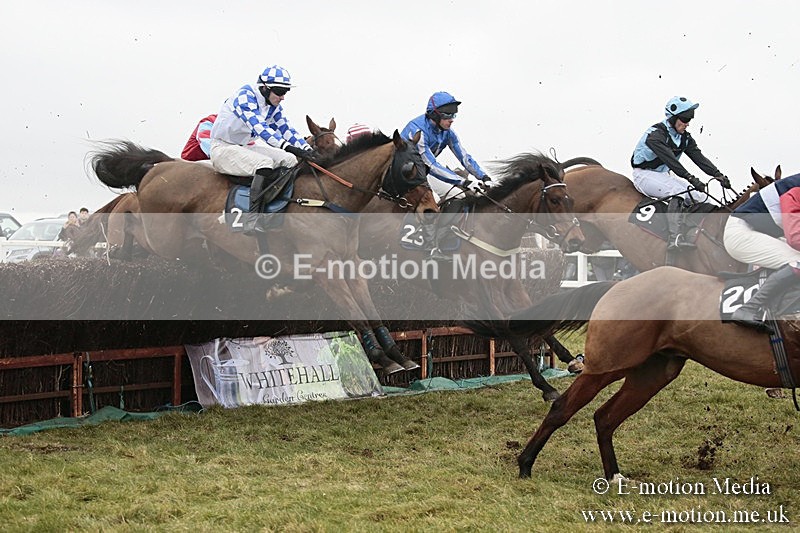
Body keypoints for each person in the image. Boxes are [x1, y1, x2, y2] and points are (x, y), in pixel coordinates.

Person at [209, 65, 320, 233]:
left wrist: (306, 149)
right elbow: (260, 128)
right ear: (264, 88)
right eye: (279, 91)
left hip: (243, 147)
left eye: (285, 92)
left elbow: (286, 129)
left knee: (289, 160)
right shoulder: (245, 96)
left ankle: (277, 208)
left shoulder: (272, 105)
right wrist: (287, 146)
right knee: (264, 163)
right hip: (222, 148)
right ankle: (251, 219)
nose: (282, 97)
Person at [631, 96, 733, 250]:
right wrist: (691, 178)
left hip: (662, 175)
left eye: (690, 118)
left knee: (700, 196)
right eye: (685, 118)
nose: (687, 123)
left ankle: (696, 232)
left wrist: (718, 175)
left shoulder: (684, 138)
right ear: (672, 118)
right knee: (676, 191)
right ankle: (675, 238)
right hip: (644, 175)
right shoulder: (656, 135)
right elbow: (672, 161)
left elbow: (699, 158)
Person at [401, 92, 491, 260]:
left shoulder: (448, 132)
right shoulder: (417, 129)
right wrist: (463, 181)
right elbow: (430, 164)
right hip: (406, 173)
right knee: (443, 195)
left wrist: (484, 177)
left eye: (454, 114)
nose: (452, 119)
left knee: (459, 195)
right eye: (448, 115)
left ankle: (444, 238)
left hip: (423, 172)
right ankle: (431, 247)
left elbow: (464, 157)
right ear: (435, 115)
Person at [724, 172, 800, 333]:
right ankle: (748, 309)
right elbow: (794, 238)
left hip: (761, 231)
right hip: (741, 233)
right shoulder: (796, 190)